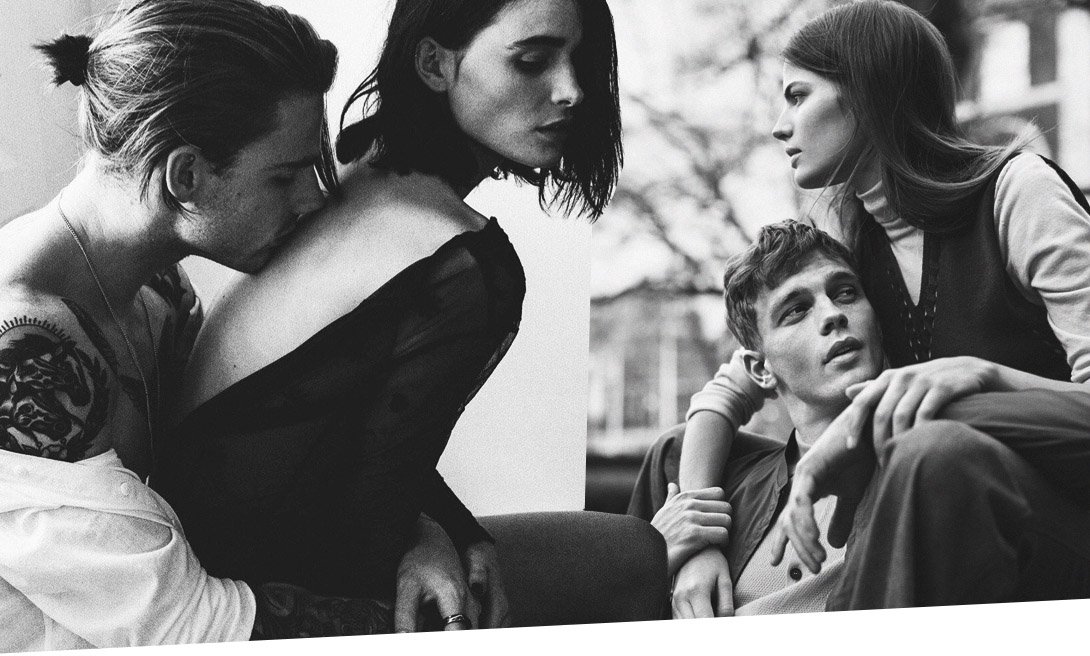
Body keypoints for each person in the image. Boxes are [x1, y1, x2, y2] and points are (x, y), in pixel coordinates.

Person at [152, 0, 665, 633]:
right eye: (532, 61)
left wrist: (445, 529)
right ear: (434, 64)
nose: (573, 91)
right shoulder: (460, 263)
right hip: (259, 598)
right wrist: (433, 541)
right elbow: (365, 523)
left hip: (199, 542)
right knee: (635, 559)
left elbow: (345, 435)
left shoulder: (351, 165)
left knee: (620, 550)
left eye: (580, 60)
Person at [0, 0, 409, 648]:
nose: (314, 198)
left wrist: (422, 535)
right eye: (285, 176)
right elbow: (190, 628)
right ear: (185, 175)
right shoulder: (25, 342)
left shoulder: (156, 288)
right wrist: (436, 630)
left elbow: (259, 446)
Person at [669, 0, 1090, 616]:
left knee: (932, 453)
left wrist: (979, 377)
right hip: (954, 525)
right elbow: (729, 391)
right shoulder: (856, 242)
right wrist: (698, 537)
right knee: (678, 449)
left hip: (1060, 521)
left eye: (798, 96)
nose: (781, 126)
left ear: (866, 92)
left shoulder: (1017, 192)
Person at [629, 220, 1090, 615]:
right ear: (760, 369)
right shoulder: (715, 476)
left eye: (846, 293)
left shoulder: (931, 461)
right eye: (796, 310)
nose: (833, 315)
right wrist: (671, 555)